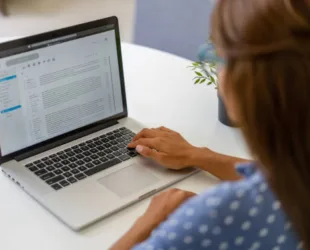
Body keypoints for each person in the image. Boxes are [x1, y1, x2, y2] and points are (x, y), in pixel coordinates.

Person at [110, 0, 310, 249]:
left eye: (219, 56)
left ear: (243, 84)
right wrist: (197, 155)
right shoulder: (295, 178)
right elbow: (284, 179)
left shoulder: (218, 215)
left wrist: (147, 222)